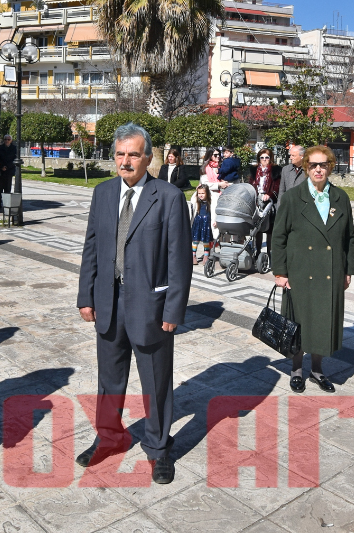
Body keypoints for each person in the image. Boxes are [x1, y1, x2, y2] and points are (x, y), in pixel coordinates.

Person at [75, 123, 192, 485]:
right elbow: (92, 247)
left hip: (151, 307)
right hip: (109, 303)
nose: (125, 161)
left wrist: (173, 310)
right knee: (110, 379)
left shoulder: (168, 196)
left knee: (155, 382)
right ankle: (109, 437)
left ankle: (158, 448)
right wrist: (86, 295)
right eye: (120, 154)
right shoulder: (103, 193)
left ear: (148, 157)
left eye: (134, 154)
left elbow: (180, 260)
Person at [272, 145, 354, 393]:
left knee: (322, 322)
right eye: (313, 165)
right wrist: (280, 272)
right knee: (298, 322)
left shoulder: (341, 198)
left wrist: (348, 270)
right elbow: (279, 238)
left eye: (323, 165)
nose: (318, 169)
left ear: (330, 166)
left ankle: (317, 371)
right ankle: (296, 370)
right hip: (299, 272)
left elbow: (349, 237)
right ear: (305, 167)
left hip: (331, 271)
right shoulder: (292, 198)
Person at [252, 148, 280, 251]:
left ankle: (269, 253)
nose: (264, 159)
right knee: (257, 228)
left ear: (270, 158)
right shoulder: (254, 170)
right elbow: (251, 184)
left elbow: (277, 186)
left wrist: (269, 195)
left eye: (267, 157)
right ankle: (257, 251)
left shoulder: (275, 170)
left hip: (269, 201)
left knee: (270, 229)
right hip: (257, 199)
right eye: (262, 157)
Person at [190, 184, 214, 264]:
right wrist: (196, 191)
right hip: (198, 221)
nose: (200, 195)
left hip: (206, 223)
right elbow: (192, 199)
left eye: (203, 193)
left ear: (207, 193)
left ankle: (206, 256)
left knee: (206, 241)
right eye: (199, 193)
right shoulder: (197, 201)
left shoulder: (210, 201)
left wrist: (215, 221)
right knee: (195, 240)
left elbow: (214, 211)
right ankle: (193, 256)